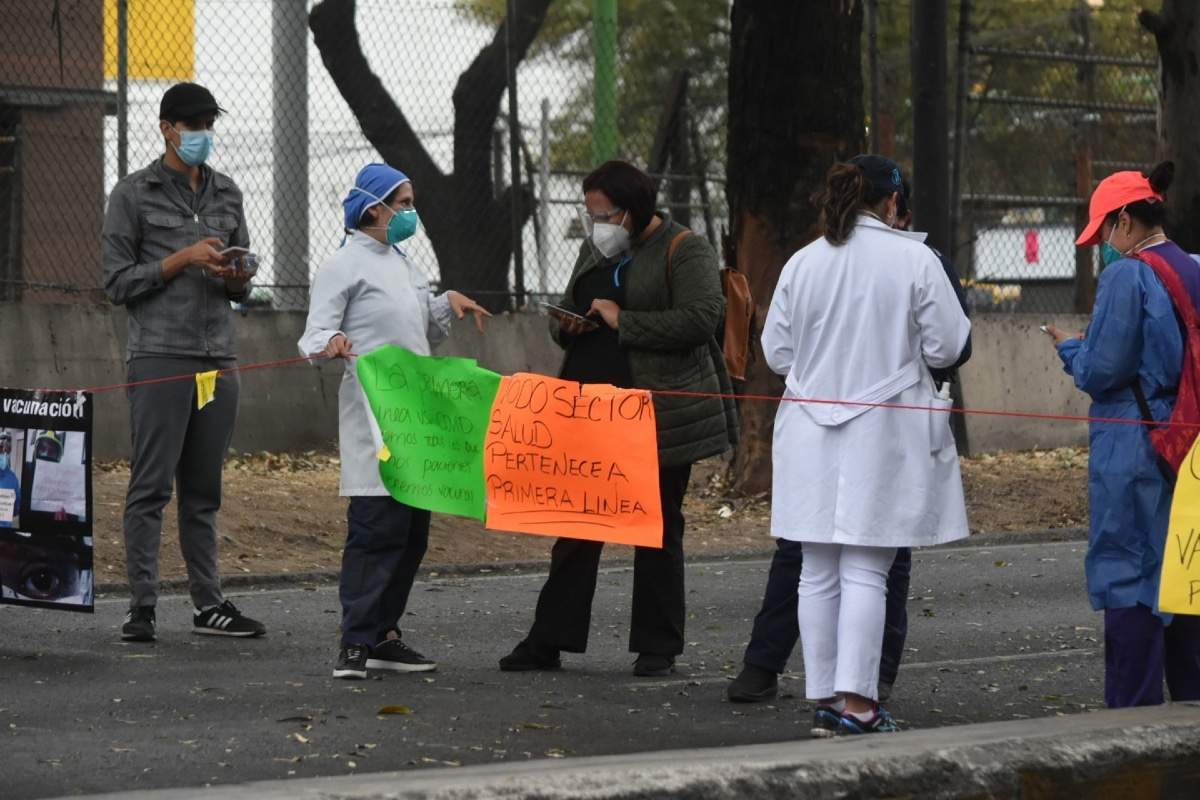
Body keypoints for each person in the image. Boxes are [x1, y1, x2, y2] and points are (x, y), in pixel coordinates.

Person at [727, 180, 973, 705]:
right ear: (889, 204)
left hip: (807, 429)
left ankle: (825, 702)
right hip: (884, 429)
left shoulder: (803, 262)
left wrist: (824, 382)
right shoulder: (915, 259)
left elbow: (777, 352)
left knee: (815, 571)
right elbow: (948, 344)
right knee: (866, 569)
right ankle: (857, 705)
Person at [498, 159, 738, 677]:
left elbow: (701, 320)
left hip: (655, 413)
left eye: (604, 214)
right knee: (576, 527)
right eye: (591, 214)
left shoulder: (684, 248)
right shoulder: (596, 249)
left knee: (654, 527)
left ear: (634, 209)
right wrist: (570, 326)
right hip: (587, 411)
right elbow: (568, 307)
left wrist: (621, 320)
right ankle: (549, 640)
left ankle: (657, 646)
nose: (596, 225)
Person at [299, 162, 492, 680]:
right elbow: (314, 334)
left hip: (417, 415)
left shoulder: (406, 264)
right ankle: (355, 641)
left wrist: (445, 304)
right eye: (402, 203)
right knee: (375, 528)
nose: (410, 212)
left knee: (411, 532)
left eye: (410, 203)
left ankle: (385, 634)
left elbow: (423, 336)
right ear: (373, 207)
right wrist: (331, 343)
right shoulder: (344, 265)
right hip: (373, 415)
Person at [102, 82, 264, 642]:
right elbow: (117, 283)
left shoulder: (228, 193)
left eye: (208, 124)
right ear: (166, 128)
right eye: (192, 125)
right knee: (151, 487)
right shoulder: (132, 194)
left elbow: (241, 284)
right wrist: (180, 258)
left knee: (204, 490)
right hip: (160, 356)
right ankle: (140, 607)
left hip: (218, 357)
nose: (202, 134)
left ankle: (209, 606)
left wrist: (237, 276)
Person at [1044, 161, 1200, 708]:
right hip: (1190, 446)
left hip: (1134, 449)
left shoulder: (1127, 275)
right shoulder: (1194, 267)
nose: (1104, 244)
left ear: (1127, 220)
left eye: (1106, 231)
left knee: (1128, 572)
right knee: (1186, 570)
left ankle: (1132, 733)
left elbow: (1099, 371)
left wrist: (1069, 346)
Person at [0, 431, 20, 528]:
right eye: (0, 449)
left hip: (5, 533)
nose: (4, 454)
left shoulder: (13, 478)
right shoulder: (13, 478)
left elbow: (15, 510)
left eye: (7, 451)